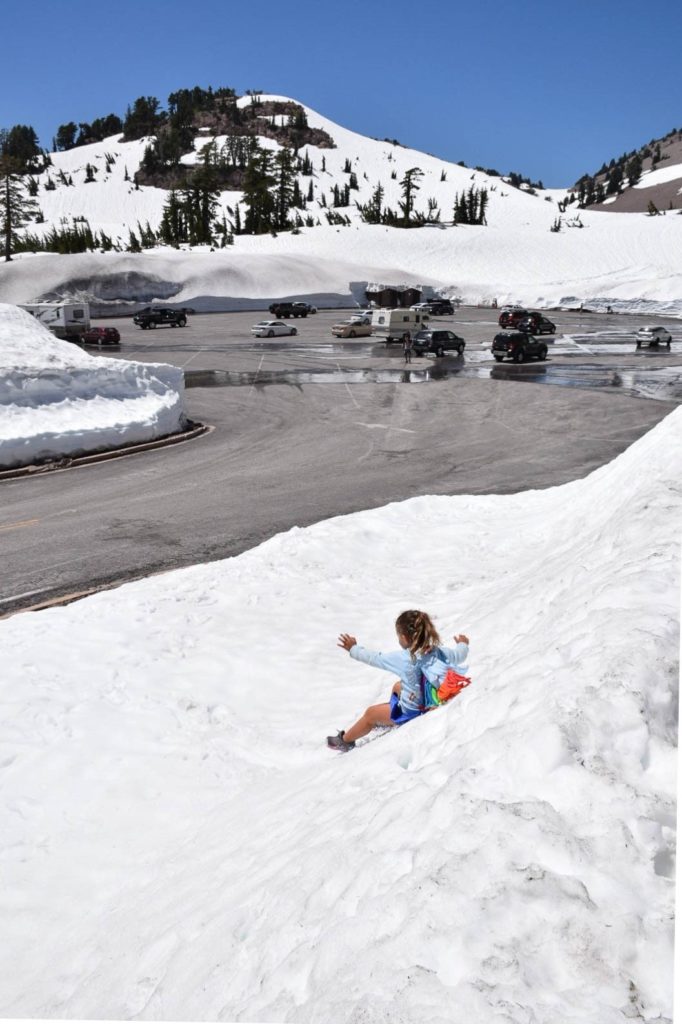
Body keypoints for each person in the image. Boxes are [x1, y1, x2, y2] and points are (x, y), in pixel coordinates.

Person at [327, 609, 470, 751]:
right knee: (397, 686)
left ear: (404, 638)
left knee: (370, 714)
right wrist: (463, 644)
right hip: (432, 699)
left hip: (413, 710)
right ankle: (388, 717)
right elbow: (459, 655)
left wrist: (353, 648)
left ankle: (345, 741)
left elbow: (375, 658)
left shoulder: (404, 658)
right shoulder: (437, 651)